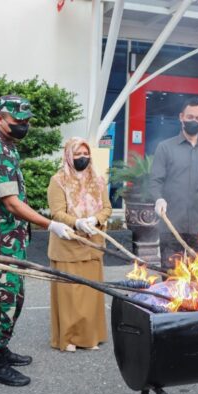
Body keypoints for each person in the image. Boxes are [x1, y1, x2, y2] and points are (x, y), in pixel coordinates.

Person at [0, 95, 73, 386]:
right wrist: (51, 224)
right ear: (0, 120)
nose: (23, 127)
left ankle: (2, 347)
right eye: (18, 122)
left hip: (11, 236)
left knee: (15, 296)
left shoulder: (8, 147)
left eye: (27, 122)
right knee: (2, 298)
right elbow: (13, 203)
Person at [47, 137, 113, 351]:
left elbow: (107, 208)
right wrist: (77, 223)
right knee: (70, 294)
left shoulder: (98, 180)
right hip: (68, 244)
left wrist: (95, 220)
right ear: (68, 156)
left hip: (92, 244)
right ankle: (69, 339)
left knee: (91, 294)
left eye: (86, 154)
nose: (83, 158)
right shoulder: (58, 180)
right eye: (77, 154)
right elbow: (56, 212)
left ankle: (90, 337)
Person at [149, 97, 198, 269]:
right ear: (181, 117)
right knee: (172, 282)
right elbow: (155, 182)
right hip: (172, 228)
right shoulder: (165, 148)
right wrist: (158, 199)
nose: (193, 121)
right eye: (190, 117)